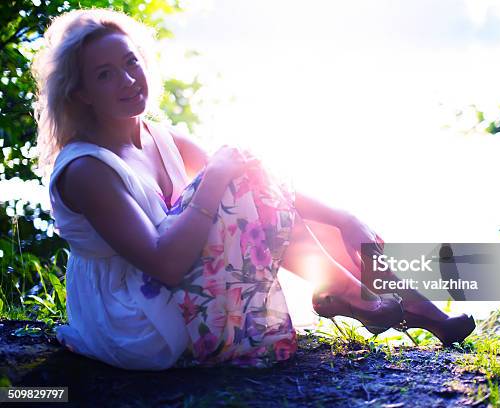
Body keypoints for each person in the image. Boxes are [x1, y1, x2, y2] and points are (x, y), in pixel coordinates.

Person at [33, 8, 475, 370]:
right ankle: (371, 299)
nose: (129, 80)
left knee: (245, 170)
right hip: (136, 319)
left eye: (131, 62)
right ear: (82, 93)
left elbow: (261, 182)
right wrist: (217, 179)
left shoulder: (157, 137)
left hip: (172, 295)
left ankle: (400, 303)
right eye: (105, 74)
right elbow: (165, 263)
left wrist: (341, 217)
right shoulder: (87, 169)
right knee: (230, 173)